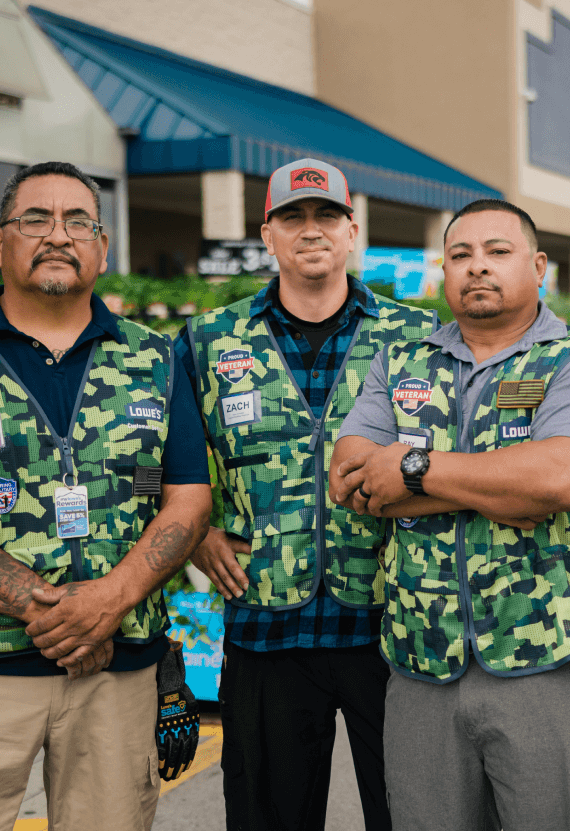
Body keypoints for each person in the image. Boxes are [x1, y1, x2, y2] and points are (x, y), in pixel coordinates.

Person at [0, 161, 212, 831]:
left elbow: (189, 500)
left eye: (78, 221)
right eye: (36, 218)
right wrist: (59, 614)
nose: (59, 234)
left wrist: (108, 602)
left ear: (102, 247)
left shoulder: (156, 360)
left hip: (119, 679)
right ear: (0, 243)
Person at [328, 199, 570, 831]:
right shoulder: (401, 365)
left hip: (546, 667)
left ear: (538, 265)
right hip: (421, 671)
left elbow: (560, 480)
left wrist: (411, 469)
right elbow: (353, 479)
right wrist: (501, 487)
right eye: (461, 255)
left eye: (498, 252)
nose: (477, 268)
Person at [180, 157, 437, 831]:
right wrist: (195, 531)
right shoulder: (209, 340)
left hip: (393, 628)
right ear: (268, 235)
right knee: (270, 817)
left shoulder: (415, 338)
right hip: (265, 627)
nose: (311, 229)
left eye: (327, 215)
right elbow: (151, 457)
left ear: (352, 231)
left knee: (411, 814)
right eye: (293, 216)